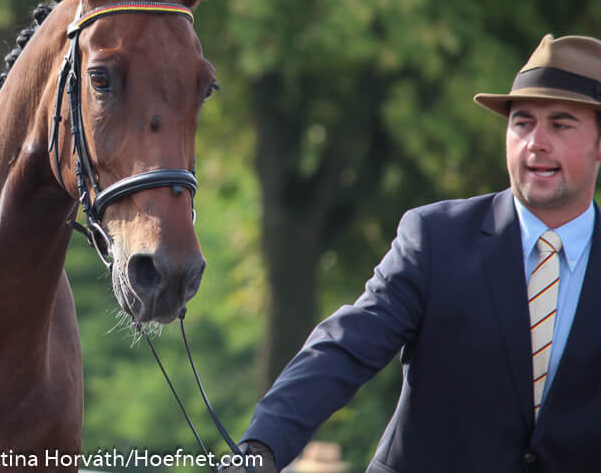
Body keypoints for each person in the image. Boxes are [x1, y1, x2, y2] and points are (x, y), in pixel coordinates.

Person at [223, 34, 601, 473]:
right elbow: (345, 349)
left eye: (560, 125)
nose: (535, 141)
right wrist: (262, 447)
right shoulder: (436, 238)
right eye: (522, 123)